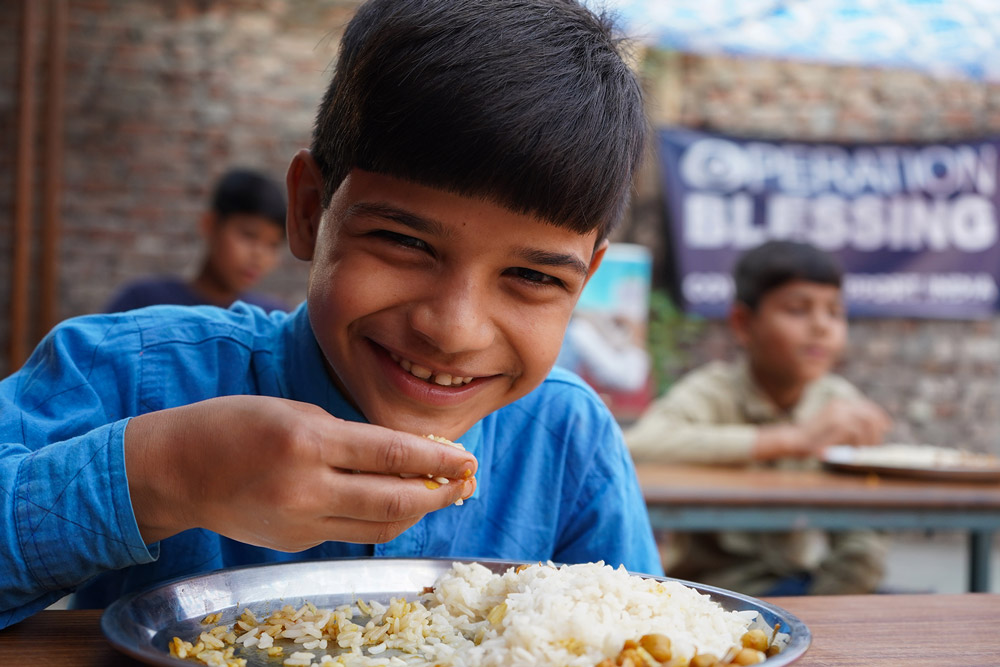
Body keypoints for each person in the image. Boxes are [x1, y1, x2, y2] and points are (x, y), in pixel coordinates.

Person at [0, 0, 662, 628]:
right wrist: (169, 474)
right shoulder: (134, 375)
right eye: (404, 242)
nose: (453, 328)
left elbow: (650, 636)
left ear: (583, 284)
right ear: (310, 210)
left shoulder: (569, 440)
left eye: (531, 276)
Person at [625, 240, 893, 596]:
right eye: (798, 310)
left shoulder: (839, 405)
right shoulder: (712, 392)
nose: (821, 327)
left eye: (834, 312)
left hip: (809, 588)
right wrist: (791, 439)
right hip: (712, 592)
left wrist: (826, 605)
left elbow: (862, 537)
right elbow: (637, 447)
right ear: (743, 322)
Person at [104, 167, 288, 313]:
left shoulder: (270, 319)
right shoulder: (144, 302)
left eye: (273, 245)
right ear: (210, 225)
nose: (259, 255)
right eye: (248, 235)